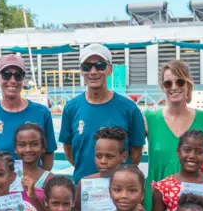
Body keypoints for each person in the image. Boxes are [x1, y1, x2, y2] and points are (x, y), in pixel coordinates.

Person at [58, 43, 145, 182]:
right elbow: (69, 150)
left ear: (109, 69)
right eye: (87, 67)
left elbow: (136, 152)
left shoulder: (129, 108)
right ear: (81, 71)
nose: (93, 72)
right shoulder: (71, 108)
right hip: (84, 187)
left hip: (119, 190)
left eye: (100, 66)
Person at [0, 53, 56, 168]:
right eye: (6, 75)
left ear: (24, 78)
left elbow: (48, 155)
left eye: (18, 75)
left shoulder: (42, 113)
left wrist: (39, 183)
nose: (12, 80)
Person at [143, 59, 203, 188]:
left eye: (180, 82)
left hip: (194, 197)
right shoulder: (149, 119)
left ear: (188, 85)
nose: (174, 87)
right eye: (168, 83)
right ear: (163, 87)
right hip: (156, 197)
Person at [13, 122, 52, 211]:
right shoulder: (6, 174)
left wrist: (34, 197)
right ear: (15, 149)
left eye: (34, 144)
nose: (28, 149)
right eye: (22, 145)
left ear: (43, 148)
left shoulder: (48, 179)